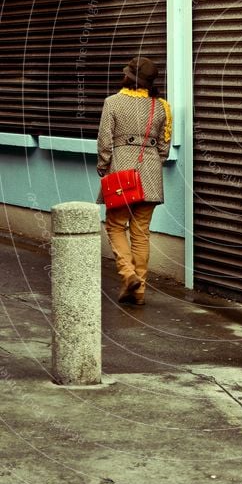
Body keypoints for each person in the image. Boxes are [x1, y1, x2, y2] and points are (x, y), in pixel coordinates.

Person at [96, 56, 172, 306]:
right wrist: (150, 163)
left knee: (115, 226)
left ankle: (128, 275)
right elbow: (164, 148)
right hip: (150, 175)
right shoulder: (161, 107)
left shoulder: (113, 103)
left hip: (121, 173)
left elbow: (105, 142)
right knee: (141, 233)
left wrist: (103, 167)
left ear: (128, 77)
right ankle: (138, 292)